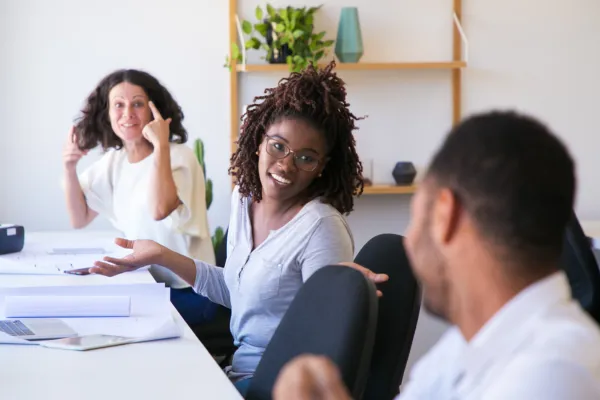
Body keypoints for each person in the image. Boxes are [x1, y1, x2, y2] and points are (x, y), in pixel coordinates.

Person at [87, 61, 388, 396]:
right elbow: (237, 290)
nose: (286, 164)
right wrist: (158, 254)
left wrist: (345, 298)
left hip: (272, 384)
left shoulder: (321, 228)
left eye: (306, 158)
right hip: (236, 372)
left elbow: (325, 349)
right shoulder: (244, 199)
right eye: (278, 146)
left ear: (321, 168)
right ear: (259, 141)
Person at [272, 110, 600, 399]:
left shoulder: (553, 370)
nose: (411, 242)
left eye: (416, 217)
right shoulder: (469, 344)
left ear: (445, 216)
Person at [61, 69, 218, 326]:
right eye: (118, 105)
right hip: (145, 283)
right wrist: (69, 168)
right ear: (107, 113)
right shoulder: (114, 161)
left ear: (153, 110)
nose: (128, 114)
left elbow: (159, 208)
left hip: (188, 292)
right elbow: (79, 218)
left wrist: (161, 146)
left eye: (137, 104)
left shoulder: (179, 157)